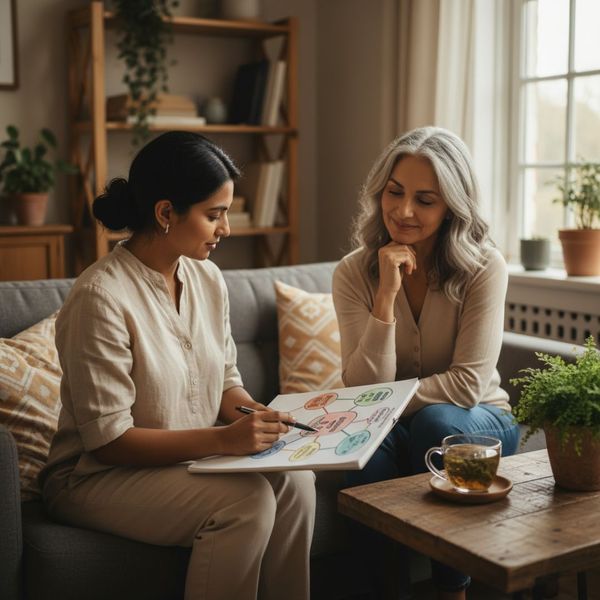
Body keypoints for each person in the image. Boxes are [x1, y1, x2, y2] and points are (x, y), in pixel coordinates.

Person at [40, 131, 315, 600]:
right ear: (166, 213)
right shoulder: (100, 297)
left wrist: (258, 418)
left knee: (297, 482)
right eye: (215, 215)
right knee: (246, 504)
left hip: (186, 461)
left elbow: (227, 384)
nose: (225, 229)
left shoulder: (207, 278)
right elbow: (109, 442)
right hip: (95, 478)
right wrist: (225, 441)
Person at [332, 126, 519, 600]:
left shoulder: (484, 267)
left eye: (425, 199)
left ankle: (450, 589)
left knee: (437, 423)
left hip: (481, 420)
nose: (404, 211)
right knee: (363, 450)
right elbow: (361, 387)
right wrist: (385, 297)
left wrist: (383, 404)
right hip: (392, 422)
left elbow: (468, 385)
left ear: (453, 205)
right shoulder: (354, 271)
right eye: (394, 193)